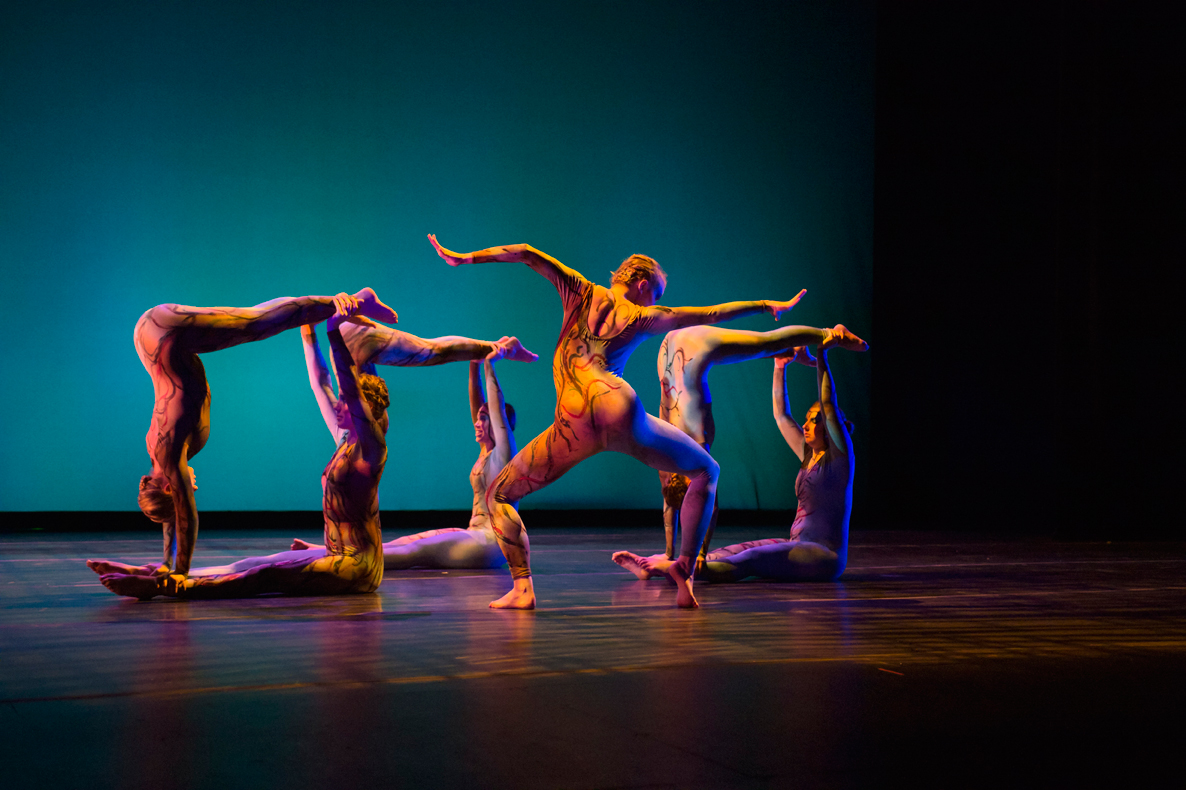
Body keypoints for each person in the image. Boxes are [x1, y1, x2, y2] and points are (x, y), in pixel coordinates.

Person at [428, 234, 807, 609]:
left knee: (500, 494)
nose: (655, 302)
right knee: (706, 471)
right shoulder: (641, 316)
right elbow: (708, 314)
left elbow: (526, 253)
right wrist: (763, 305)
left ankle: (523, 588)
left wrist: (465, 258)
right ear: (643, 285)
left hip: (573, 422)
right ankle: (685, 568)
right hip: (618, 406)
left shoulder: (577, 290)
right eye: (655, 294)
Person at [91, 311, 391, 599]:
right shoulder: (344, 439)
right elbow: (321, 382)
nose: (336, 404)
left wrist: (334, 332)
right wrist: (309, 330)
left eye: (344, 403)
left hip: (358, 567)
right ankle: (156, 572)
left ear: (359, 412)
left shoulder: (371, 450)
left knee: (269, 575)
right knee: (255, 563)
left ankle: (172, 588)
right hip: (337, 555)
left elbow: (350, 389)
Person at [612, 335, 862, 585]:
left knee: (750, 558)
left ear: (830, 429)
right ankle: (664, 568)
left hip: (823, 555)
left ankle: (664, 570)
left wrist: (822, 352)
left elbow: (828, 405)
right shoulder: (809, 455)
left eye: (814, 420)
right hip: (796, 544)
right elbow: (782, 415)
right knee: (731, 551)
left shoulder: (840, 459)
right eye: (807, 419)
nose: (806, 425)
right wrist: (779, 367)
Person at [285, 347, 517, 570]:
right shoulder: (486, 452)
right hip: (475, 535)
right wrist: (474, 362)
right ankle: (322, 550)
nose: (477, 422)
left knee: (413, 550)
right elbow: (479, 401)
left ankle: (333, 556)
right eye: (478, 417)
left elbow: (495, 410)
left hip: (491, 543)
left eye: (484, 418)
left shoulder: (503, 456)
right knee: (406, 541)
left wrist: (490, 365)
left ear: (499, 425)